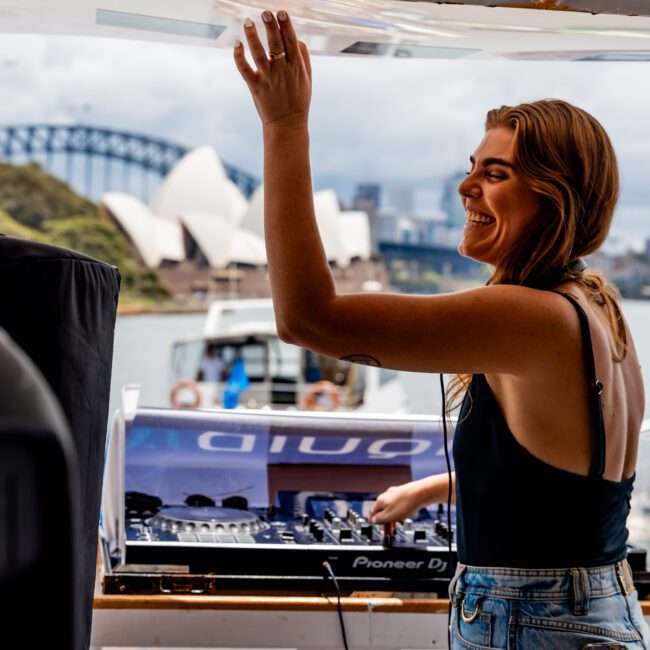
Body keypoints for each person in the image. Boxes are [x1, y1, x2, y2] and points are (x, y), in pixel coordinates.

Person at [234, 12, 649, 648]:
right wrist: (431, 487)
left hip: (531, 617)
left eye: (496, 174)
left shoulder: (529, 317)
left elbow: (306, 319)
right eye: (473, 167)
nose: (466, 187)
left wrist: (283, 127)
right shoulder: (598, 308)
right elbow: (564, 488)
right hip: (596, 603)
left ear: (554, 196)